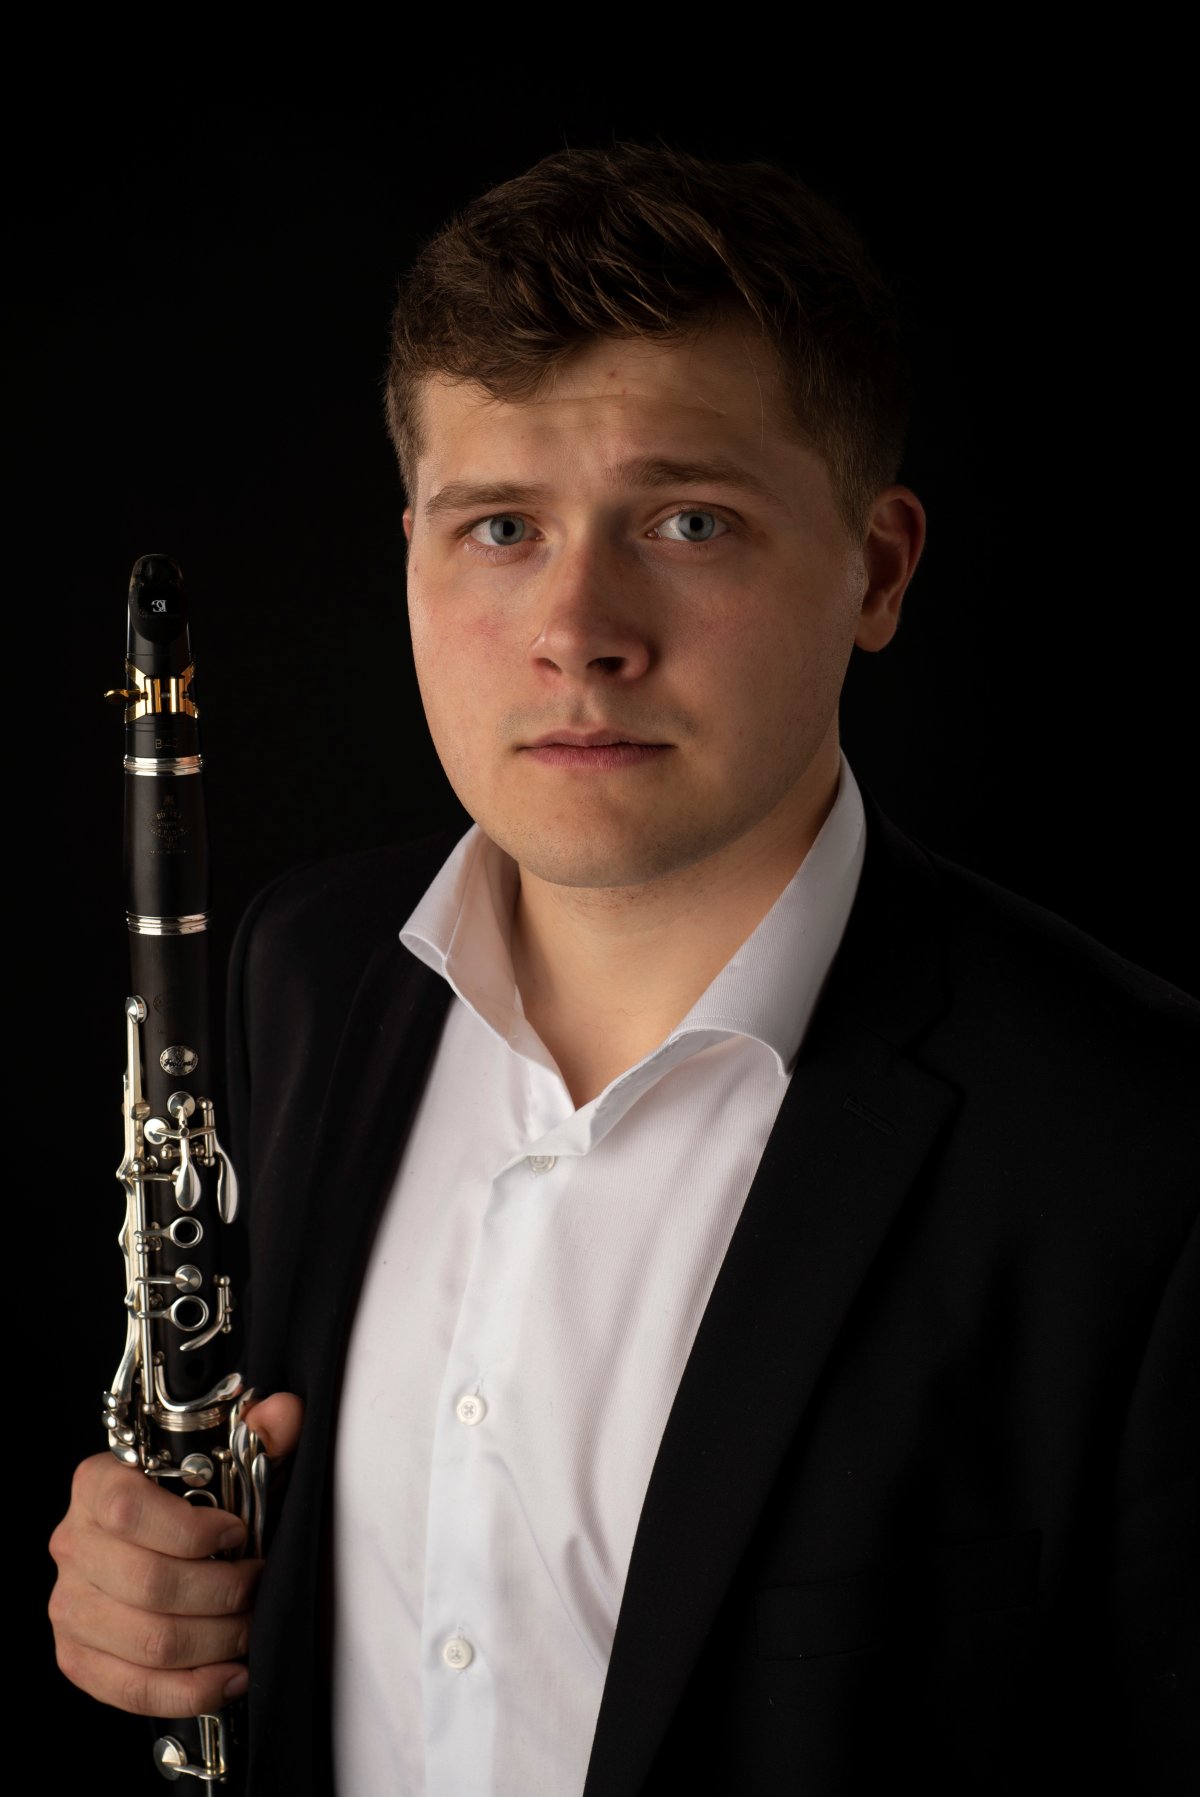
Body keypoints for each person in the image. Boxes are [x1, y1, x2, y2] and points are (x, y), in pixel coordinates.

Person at [49, 145, 1197, 1795]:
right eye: (501, 526)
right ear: (411, 553)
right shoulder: (304, 974)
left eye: (688, 520)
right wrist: (155, 1587)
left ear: (878, 570)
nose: (579, 626)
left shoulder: (1141, 1146)